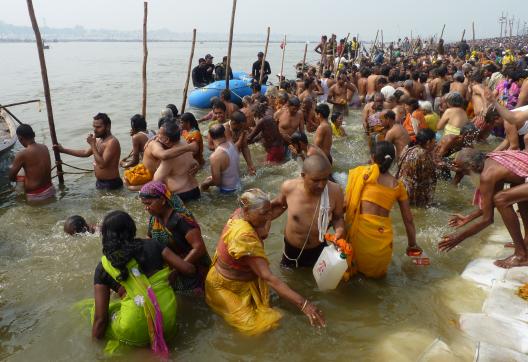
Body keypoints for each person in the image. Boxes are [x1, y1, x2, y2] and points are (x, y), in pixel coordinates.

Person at [205, 189, 325, 335]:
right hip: (226, 288)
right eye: (264, 213)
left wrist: (286, 198)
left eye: (269, 211)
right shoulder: (243, 235)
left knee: (272, 311)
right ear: (247, 211)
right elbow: (267, 277)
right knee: (260, 328)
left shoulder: (244, 212)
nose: (269, 216)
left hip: (247, 281)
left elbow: (270, 210)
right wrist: (304, 304)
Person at [90, 210, 195, 355]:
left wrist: (94, 347)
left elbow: (100, 319)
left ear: (106, 237)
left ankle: (141, 350)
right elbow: (188, 269)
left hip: (134, 327)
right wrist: (170, 275)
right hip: (167, 319)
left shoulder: (103, 267)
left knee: (96, 310)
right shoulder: (154, 245)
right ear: (132, 229)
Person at [440, 148, 528, 268]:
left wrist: (458, 237)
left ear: (471, 166)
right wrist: (468, 217)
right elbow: (491, 203)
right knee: (513, 196)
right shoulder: (492, 161)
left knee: (502, 199)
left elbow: (488, 219)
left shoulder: (487, 175)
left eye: (464, 171)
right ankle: (525, 243)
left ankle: (521, 255)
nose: (463, 175)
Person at [344, 141, 421, 278]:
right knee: (378, 280)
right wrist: (412, 245)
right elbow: (408, 220)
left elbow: (346, 205)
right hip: (383, 245)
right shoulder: (398, 186)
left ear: (372, 157)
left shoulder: (362, 175)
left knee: (355, 278)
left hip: (360, 242)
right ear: (392, 160)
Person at [271, 155, 345, 268]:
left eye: (325, 179)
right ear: (303, 176)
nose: (321, 185)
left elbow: (338, 217)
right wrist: (247, 215)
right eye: (315, 180)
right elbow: (277, 206)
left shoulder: (335, 191)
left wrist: (339, 231)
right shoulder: (290, 188)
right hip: (292, 250)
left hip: (318, 248)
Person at [139, 181, 211, 294]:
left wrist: (177, 270)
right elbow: (149, 238)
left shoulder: (181, 219)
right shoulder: (155, 218)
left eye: (149, 204)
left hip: (192, 268)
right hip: (173, 266)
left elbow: (199, 248)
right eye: (144, 205)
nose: (146, 208)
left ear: (162, 200)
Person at [54, 113, 122, 190]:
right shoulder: (100, 140)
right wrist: (63, 150)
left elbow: (102, 164)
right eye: (94, 127)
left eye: (98, 127)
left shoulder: (112, 142)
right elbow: (85, 153)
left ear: (108, 127)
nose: (95, 130)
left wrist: (93, 144)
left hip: (111, 184)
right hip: (100, 182)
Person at [153, 120, 200, 202]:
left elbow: (156, 181)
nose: (157, 136)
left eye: (159, 135)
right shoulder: (185, 143)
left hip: (181, 194)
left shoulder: (170, 157)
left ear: (167, 140)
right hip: (195, 189)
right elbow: (192, 162)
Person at [8, 124, 55, 202]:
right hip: (50, 190)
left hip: (36, 195)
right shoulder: (44, 147)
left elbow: (11, 177)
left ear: (20, 138)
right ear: (33, 134)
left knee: (20, 174)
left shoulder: (22, 154)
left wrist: (20, 179)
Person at [396, 129, 437, 207]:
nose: (435, 144)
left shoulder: (408, 148)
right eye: (434, 141)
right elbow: (429, 178)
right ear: (428, 142)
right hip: (411, 194)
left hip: (400, 188)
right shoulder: (423, 153)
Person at [200, 124, 240, 193]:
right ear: (224, 133)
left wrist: (205, 184)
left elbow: (217, 182)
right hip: (239, 185)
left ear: (210, 136)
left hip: (227, 191)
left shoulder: (215, 156)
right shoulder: (232, 144)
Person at [121, 114, 156, 187]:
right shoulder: (152, 132)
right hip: (156, 167)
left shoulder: (136, 137)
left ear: (133, 126)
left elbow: (135, 161)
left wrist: (123, 164)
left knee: (125, 177)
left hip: (149, 170)